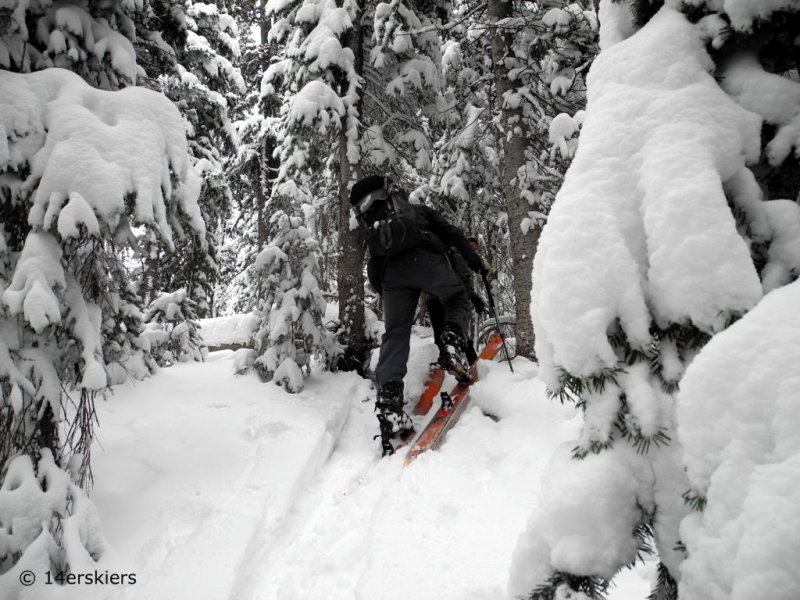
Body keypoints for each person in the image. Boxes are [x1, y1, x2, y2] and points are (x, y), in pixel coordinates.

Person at [350, 175, 487, 455]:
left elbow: (374, 258)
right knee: (456, 297)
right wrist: (477, 264)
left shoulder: (377, 224)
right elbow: (454, 235)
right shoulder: (420, 213)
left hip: (391, 275)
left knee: (396, 333)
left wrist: (385, 285)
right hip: (425, 260)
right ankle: (451, 344)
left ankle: (389, 404)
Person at [426, 241, 489, 367]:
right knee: (457, 332)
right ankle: (470, 364)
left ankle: (445, 362)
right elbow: (464, 278)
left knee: (441, 335)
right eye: (471, 245)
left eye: (475, 247)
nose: (473, 248)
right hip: (450, 300)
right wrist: (474, 297)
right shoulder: (458, 255)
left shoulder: (447, 254)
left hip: (434, 298)